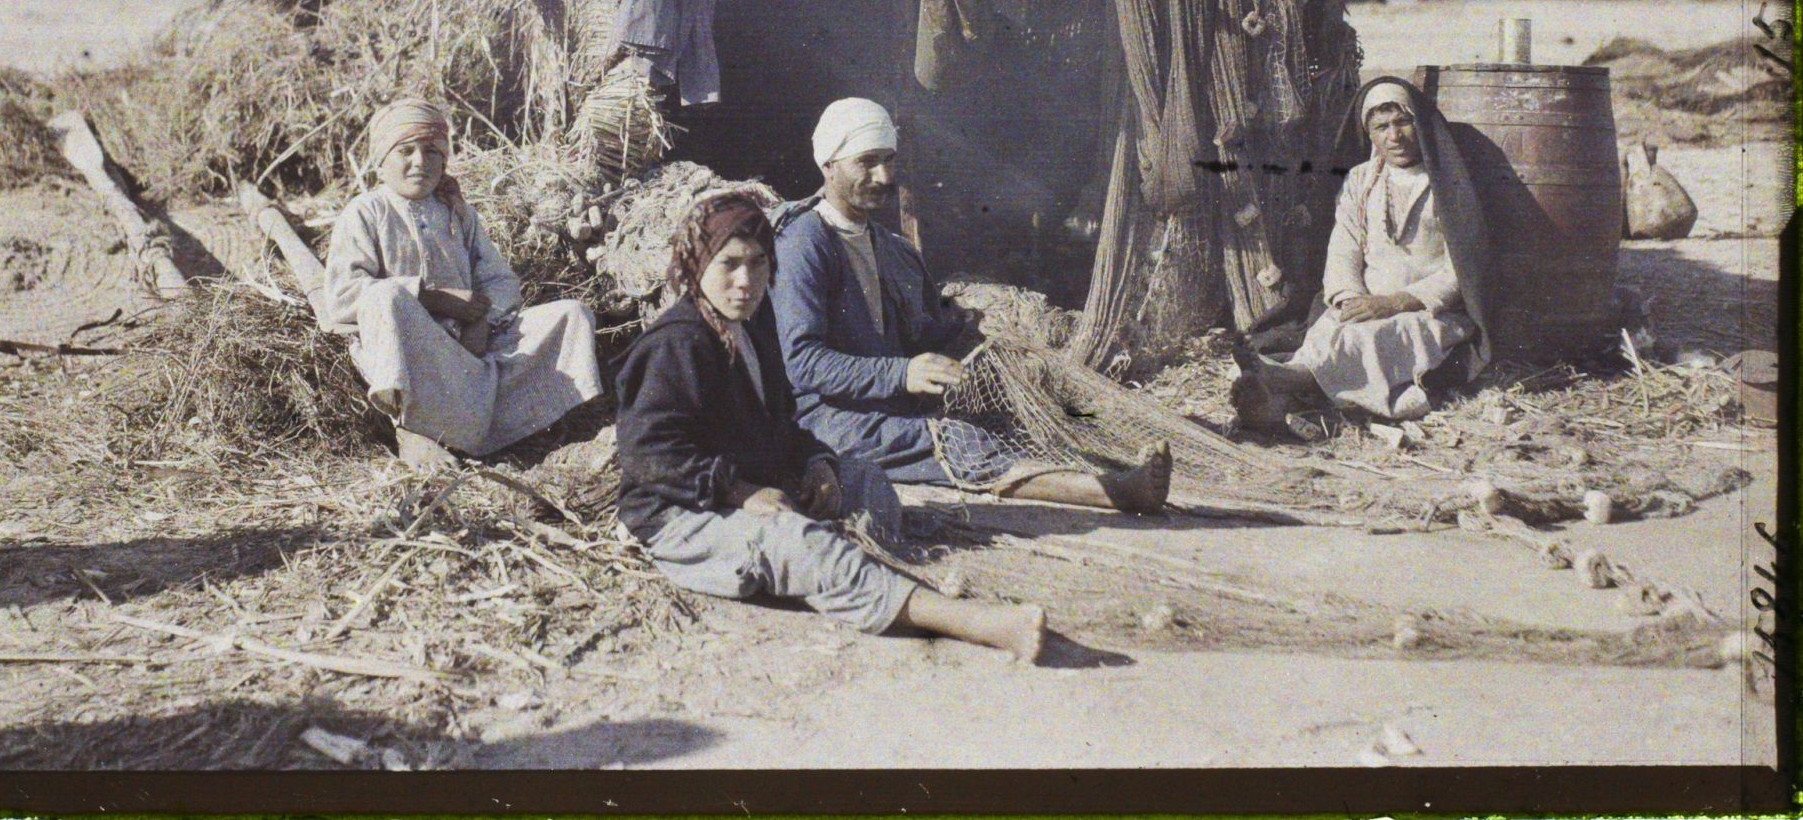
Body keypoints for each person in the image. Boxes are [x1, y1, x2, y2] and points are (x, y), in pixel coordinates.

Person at [616, 189, 1047, 661]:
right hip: (679, 512)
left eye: (759, 264)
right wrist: (741, 493)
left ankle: (848, 560)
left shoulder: (753, 329)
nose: (746, 281)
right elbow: (649, 455)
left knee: (865, 480)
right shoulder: (676, 343)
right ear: (697, 265)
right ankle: (972, 622)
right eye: (729, 264)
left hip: (743, 482)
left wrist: (816, 461)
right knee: (796, 543)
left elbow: (782, 422)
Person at [770, 98, 1172, 512]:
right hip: (823, 422)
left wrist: (968, 328)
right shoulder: (804, 241)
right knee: (959, 440)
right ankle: (1116, 493)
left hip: (886, 406)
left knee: (1002, 422)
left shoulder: (892, 249)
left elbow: (916, 335)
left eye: (889, 160)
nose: (884, 175)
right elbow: (802, 362)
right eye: (867, 162)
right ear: (828, 164)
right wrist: (903, 373)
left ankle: (1109, 476)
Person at [325, 98, 604, 467]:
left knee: (573, 314)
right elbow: (343, 294)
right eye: (406, 151)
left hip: (469, 350)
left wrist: (482, 322)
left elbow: (500, 281)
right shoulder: (366, 212)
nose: (420, 162)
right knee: (385, 295)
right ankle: (411, 429)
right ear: (381, 161)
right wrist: (433, 298)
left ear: (444, 160)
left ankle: (509, 426)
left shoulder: (458, 213)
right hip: (410, 352)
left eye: (431, 151)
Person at [1232, 76, 1496, 430]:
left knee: (1371, 339)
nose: (1394, 136)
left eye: (1403, 122)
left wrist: (1395, 303)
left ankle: (1284, 380)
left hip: (1429, 312)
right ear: (1369, 134)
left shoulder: (1447, 183)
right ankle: (1276, 402)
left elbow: (1462, 269)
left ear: (1420, 124)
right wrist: (1350, 299)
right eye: (1381, 127)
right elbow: (1344, 247)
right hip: (1366, 303)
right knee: (1331, 331)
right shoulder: (1360, 179)